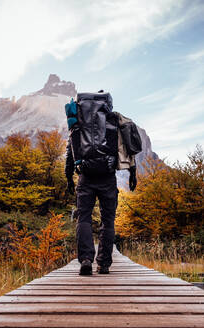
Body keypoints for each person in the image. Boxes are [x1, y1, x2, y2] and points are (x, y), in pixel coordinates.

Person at [65, 91, 137, 275]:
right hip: (107, 176)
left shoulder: (78, 122)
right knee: (108, 221)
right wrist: (132, 173)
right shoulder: (113, 120)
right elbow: (127, 147)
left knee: (84, 218)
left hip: (86, 177)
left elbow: (70, 152)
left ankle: (86, 259)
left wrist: (69, 179)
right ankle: (104, 263)